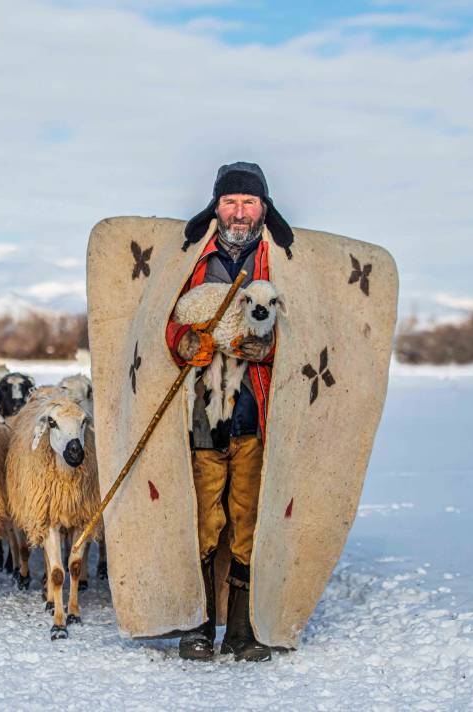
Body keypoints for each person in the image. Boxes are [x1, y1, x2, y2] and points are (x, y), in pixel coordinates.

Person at [164, 162, 294, 662]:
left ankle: (242, 629)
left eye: (249, 202)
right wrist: (185, 342)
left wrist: (273, 349)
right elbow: (164, 319)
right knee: (202, 518)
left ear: (264, 208)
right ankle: (198, 626)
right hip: (202, 414)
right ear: (216, 207)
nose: (239, 212)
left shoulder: (281, 263)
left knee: (247, 518)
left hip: (255, 415)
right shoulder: (190, 260)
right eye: (230, 202)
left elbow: (308, 333)